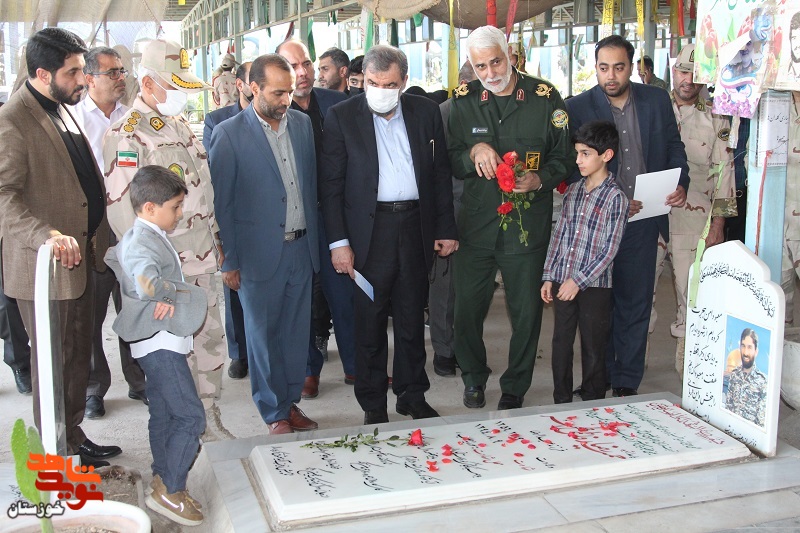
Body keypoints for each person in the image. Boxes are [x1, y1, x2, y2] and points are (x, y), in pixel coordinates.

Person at [0, 27, 120, 467]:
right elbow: (4, 197)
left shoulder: (62, 108)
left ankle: (72, 436)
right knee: (54, 365)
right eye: (72, 72)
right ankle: (55, 456)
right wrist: (45, 236)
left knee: (76, 359)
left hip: (84, 258)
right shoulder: (12, 120)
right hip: (46, 266)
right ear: (42, 73)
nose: (82, 79)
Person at [320, 45, 458, 425]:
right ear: (362, 80)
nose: (380, 91)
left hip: (415, 227)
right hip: (369, 233)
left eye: (390, 84)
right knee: (370, 321)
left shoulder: (425, 113)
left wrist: (445, 227)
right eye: (373, 83)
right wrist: (339, 243)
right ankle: (373, 403)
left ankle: (412, 395)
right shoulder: (342, 117)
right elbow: (330, 186)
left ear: (404, 82)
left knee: (412, 318)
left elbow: (440, 175)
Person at [103, 39, 229, 440]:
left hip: (202, 259)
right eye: (174, 87)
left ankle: (209, 418)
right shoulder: (127, 135)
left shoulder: (177, 125)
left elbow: (202, 192)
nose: (180, 96)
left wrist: (216, 240)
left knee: (209, 344)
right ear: (147, 83)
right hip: (167, 270)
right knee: (174, 354)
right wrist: (150, 279)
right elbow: (125, 215)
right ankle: (182, 430)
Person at [448, 26, 572, 411]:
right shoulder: (464, 101)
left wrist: (541, 178)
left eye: (496, 62)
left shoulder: (545, 98)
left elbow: (565, 158)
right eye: (480, 66)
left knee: (526, 313)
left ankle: (516, 385)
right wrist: (473, 152)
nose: (490, 73)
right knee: (466, 311)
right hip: (477, 226)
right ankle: (473, 376)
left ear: (512, 56)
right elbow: (449, 158)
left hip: (526, 226)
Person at [566, 35, 689, 397]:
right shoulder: (578, 107)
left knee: (635, 303)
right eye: (604, 68)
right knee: (598, 305)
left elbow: (674, 147)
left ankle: (626, 380)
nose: (611, 75)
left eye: (619, 67)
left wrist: (681, 181)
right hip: (599, 224)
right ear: (595, 68)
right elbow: (572, 167)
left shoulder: (655, 100)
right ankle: (599, 377)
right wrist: (613, 198)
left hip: (644, 218)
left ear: (632, 67)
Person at [208, 53, 320, 435]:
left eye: (289, 92)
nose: (286, 100)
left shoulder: (302, 125)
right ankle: (274, 413)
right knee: (263, 337)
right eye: (277, 93)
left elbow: (309, 185)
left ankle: (289, 402)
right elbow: (222, 204)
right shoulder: (229, 134)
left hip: (301, 248)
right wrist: (228, 260)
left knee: (295, 334)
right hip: (257, 254)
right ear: (253, 88)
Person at [105, 165, 206, 526]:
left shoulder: (148, 232)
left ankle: (163, 476)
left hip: (159, 341)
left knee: (163, 413)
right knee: (191, 417)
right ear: (150, 207)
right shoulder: (141, 240)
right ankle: (171, 490)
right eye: (175, 207)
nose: (179, 214)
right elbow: (145, 279)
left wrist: (161, 290)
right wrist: (166, 292)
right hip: (159, 344)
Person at [71, 46, 147, 418]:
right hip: (94, 230)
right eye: (112, 72)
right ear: (89, 79)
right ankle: (93, 389)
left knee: (133, 305)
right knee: (92, 311)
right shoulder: (72, 120)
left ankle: (139, 380)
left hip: (130, 225)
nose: (120, 78)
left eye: (122, 71)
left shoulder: (132, 118)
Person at [276, 39, 353, 398]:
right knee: (304, 298)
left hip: (339, 215)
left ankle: (356, 364)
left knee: (347, 292)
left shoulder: (339, 102)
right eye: (292, 66)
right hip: (298, 221)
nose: (303, 72)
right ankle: (309, 370)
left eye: (306, 63)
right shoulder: (276, 113)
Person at [657, 44, 736, 376]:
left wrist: (718, 225)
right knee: (638, 292)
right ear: (673, 70)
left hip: (694, 218)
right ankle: (629, 369)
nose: (687, 80)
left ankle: (690, 368)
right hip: (651, 214)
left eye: (694, 73)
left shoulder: (716, 117)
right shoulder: (654, 107)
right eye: (682, 71)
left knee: (692, 293)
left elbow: (725, 173)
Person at [542, 121, 628, 404]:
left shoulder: (615, 198)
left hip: (594, 286)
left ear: (606, 155)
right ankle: (561, 398)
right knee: (561, 342)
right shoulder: (574, 191)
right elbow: (559, 234)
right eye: (577, 153)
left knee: (593, 345)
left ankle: (592, 399)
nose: (578, 160)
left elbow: (609, 250)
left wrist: (577, 281)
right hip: (563, 280)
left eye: (585, 154)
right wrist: (549, 275)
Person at [203, 61, 253, 381]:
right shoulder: (218, 120)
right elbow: (215, 169)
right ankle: (239, 353)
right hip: (233, 214)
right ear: (240, 85)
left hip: (266, 219)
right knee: (234, 287)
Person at [429, 60, 476, 378]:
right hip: (452, 210)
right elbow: (435, 170)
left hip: (484, 212)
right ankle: (444, 350)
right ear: (463, 83)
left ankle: (466, 347)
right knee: (445, 288)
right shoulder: (444, 113)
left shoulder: (494, 112)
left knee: (473, 288)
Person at [725, 328, 767, 426]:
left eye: (749, 347)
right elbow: (728, 409)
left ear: (756, 351)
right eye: (743, 346)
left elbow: (761, 422)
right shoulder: (734, 375)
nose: (745, 352)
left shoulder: (763, 382)